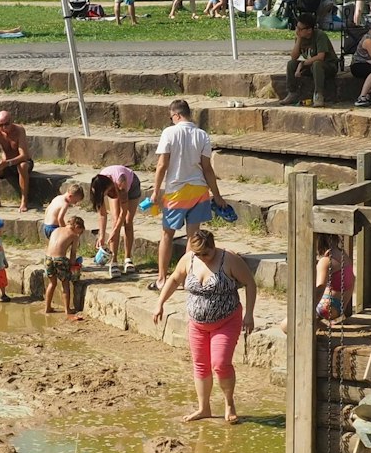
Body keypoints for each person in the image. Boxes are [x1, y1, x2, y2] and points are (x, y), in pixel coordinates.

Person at [153, 228, 255, 424]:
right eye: (198, 254)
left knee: (220, 363)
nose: (202, 258)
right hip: (197, 324)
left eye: (205, 253)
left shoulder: (230, 259)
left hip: (226, 320)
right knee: (200, 365)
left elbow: (250, 283)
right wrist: (160, 303)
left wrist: (249, 314)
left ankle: (229, 403)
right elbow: (174, 279)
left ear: (213, 246)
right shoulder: (189, 259)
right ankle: (204, 408)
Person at [152, 99, 230, 289]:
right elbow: (207, 169)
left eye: (172, 117)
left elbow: (162, 165)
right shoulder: (202, 135)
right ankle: (188, 279)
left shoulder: (169, 133)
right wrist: (217, 195)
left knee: (167, 235)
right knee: (192, 237)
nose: (171, 121)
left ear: (177, 115)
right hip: (199, 191)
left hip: (176, 192)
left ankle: (162, 279)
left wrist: (155, 191)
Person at [89, 164, 141, 276]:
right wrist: (101, 235)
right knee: (115, 219)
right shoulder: (97, 188)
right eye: (105, 195)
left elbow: (124, 211)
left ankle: (128, 258)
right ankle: (114, 261)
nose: (107, 195)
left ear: (109, 187)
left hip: (131, 186)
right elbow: (102, 214)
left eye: (106, 193)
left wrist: (116, 231)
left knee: (127, 221)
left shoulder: (120, 183)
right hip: (111, 186)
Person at [283, 16, 334, 107]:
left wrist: (302, 64)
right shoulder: (300, 37)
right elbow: (294, 57)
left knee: (317, 64)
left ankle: (319, 95)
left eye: (300, 29)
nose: (297, 31)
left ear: (309, 30)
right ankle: (292, 93)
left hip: (327, 66)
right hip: (311, 66)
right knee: (291, 64)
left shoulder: (320, 35)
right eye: (296, 27)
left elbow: (320, 56)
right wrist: (298, 39)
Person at [43, 213, 86, 315]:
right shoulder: (73, 235)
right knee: (65, 284)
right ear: (76, 227)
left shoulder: (56, 230)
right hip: (60, 260)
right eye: (80, 232)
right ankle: (67, 309)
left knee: (52, 283)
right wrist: (73, 266)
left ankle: (47, 307)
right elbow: (73, 252)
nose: (79, 234)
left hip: (48, 258)